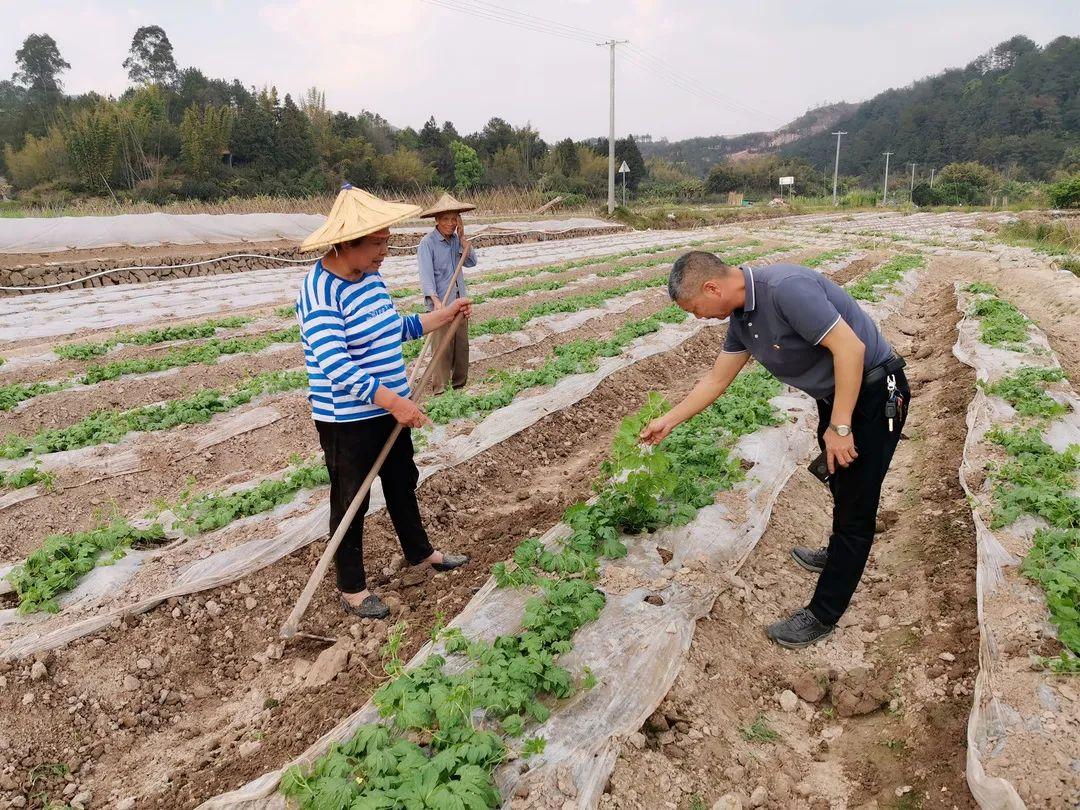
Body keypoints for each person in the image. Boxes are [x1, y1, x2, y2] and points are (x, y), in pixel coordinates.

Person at [640, 251, 910, 648]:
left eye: (696, 309)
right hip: (837, 397)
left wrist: (841, 425)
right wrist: (669, 420)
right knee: (840, 481)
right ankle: (835, 553)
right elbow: (716, 380)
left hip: (872, 394)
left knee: (856, 509)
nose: (698, 318)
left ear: (712, 287)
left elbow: (850, 350)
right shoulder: (741, 319)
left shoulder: (785, 290)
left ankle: (823, 613)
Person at [296, 184, 472, 619]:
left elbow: (396, 327)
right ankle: (351, 587)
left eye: (386, 242)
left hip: (390, 407)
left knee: (401, 481)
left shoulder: (370, 278)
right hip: (348, 418)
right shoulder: (320, 292)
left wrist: (444, 315)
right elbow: (335, 366)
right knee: (352, 497)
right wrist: (394, 402)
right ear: (346, 243)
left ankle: (420, 553)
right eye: (377, 244)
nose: (384, 253)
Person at [417, 193, 478, 396]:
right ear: (437, 220)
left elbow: (471, 262)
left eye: (454, 219)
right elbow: (426, 276)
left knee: (461, 347)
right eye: (446, 219)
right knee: (441, 350)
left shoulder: (456, 241)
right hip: (441, 303)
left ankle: (459, 386)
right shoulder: (428, 243)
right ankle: (440, 391)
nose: (450, 223)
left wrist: (462, 239)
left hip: (459, 302)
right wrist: (435, 301)